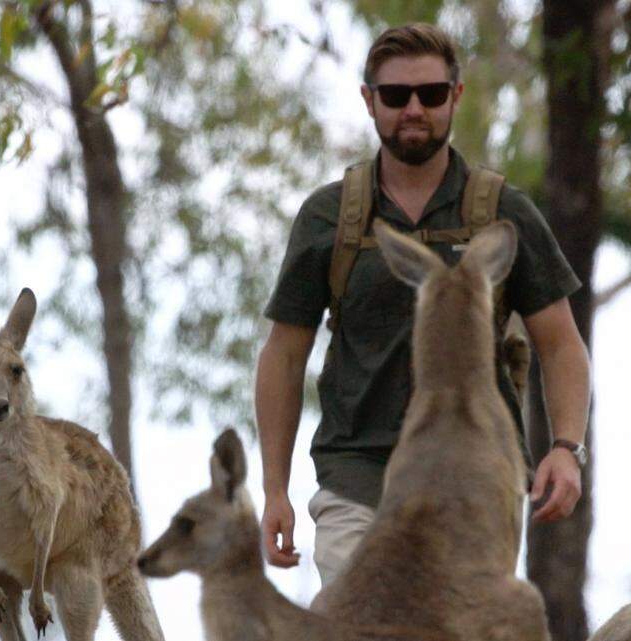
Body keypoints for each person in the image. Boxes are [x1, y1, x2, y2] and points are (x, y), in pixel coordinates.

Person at [254, 22, 592, 586]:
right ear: (369, 101)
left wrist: (566, 448)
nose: (414, 108)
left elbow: (560, 345)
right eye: (395, 95)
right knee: (364, 624)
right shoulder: (329, 217)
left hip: (478, 475)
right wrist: (273, 490)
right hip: (359, 478)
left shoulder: (504, 211)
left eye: (431, 94)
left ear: (455, 96)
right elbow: (285, 355)